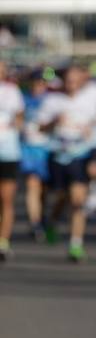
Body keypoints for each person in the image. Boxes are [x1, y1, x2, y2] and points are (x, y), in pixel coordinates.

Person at [36, 64, 96, 261]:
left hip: (81, 154)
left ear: (82, 81)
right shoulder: (52, 101)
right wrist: (53, 122)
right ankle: (53, 220)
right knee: (61, 196)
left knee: (78, 200)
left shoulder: (91, 101)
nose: (72, 85)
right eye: (68, 81)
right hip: (58, 155)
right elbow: (40, 128)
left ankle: (76, 244)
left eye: (76, 81)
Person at [20, 70, 53, 244]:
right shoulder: (23, 99)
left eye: (43, 82)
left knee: (44, 189)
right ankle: (35, 223)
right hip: (28, 149)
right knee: (32, 185)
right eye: (37, 81)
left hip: (48, 149)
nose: (39, 85)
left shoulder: (52, 100)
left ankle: (43, 216)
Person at [0, 61, 24, 260]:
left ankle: (3, 242)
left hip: (8, 152)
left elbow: (19, 118)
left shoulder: (11, 91)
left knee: (6, 199)